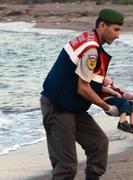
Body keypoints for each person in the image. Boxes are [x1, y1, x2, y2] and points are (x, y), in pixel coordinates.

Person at [40, 8, 124, 180]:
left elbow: (82, 78)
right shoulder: (91, 51)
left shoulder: (89, 39)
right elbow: (83, 88)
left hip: (72, 105)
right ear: (102, 25)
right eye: (115, 30)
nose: (118, 36)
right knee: (66, 167)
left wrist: (107, 89)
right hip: (58, 106)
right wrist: (108, 107)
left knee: (99, 144)